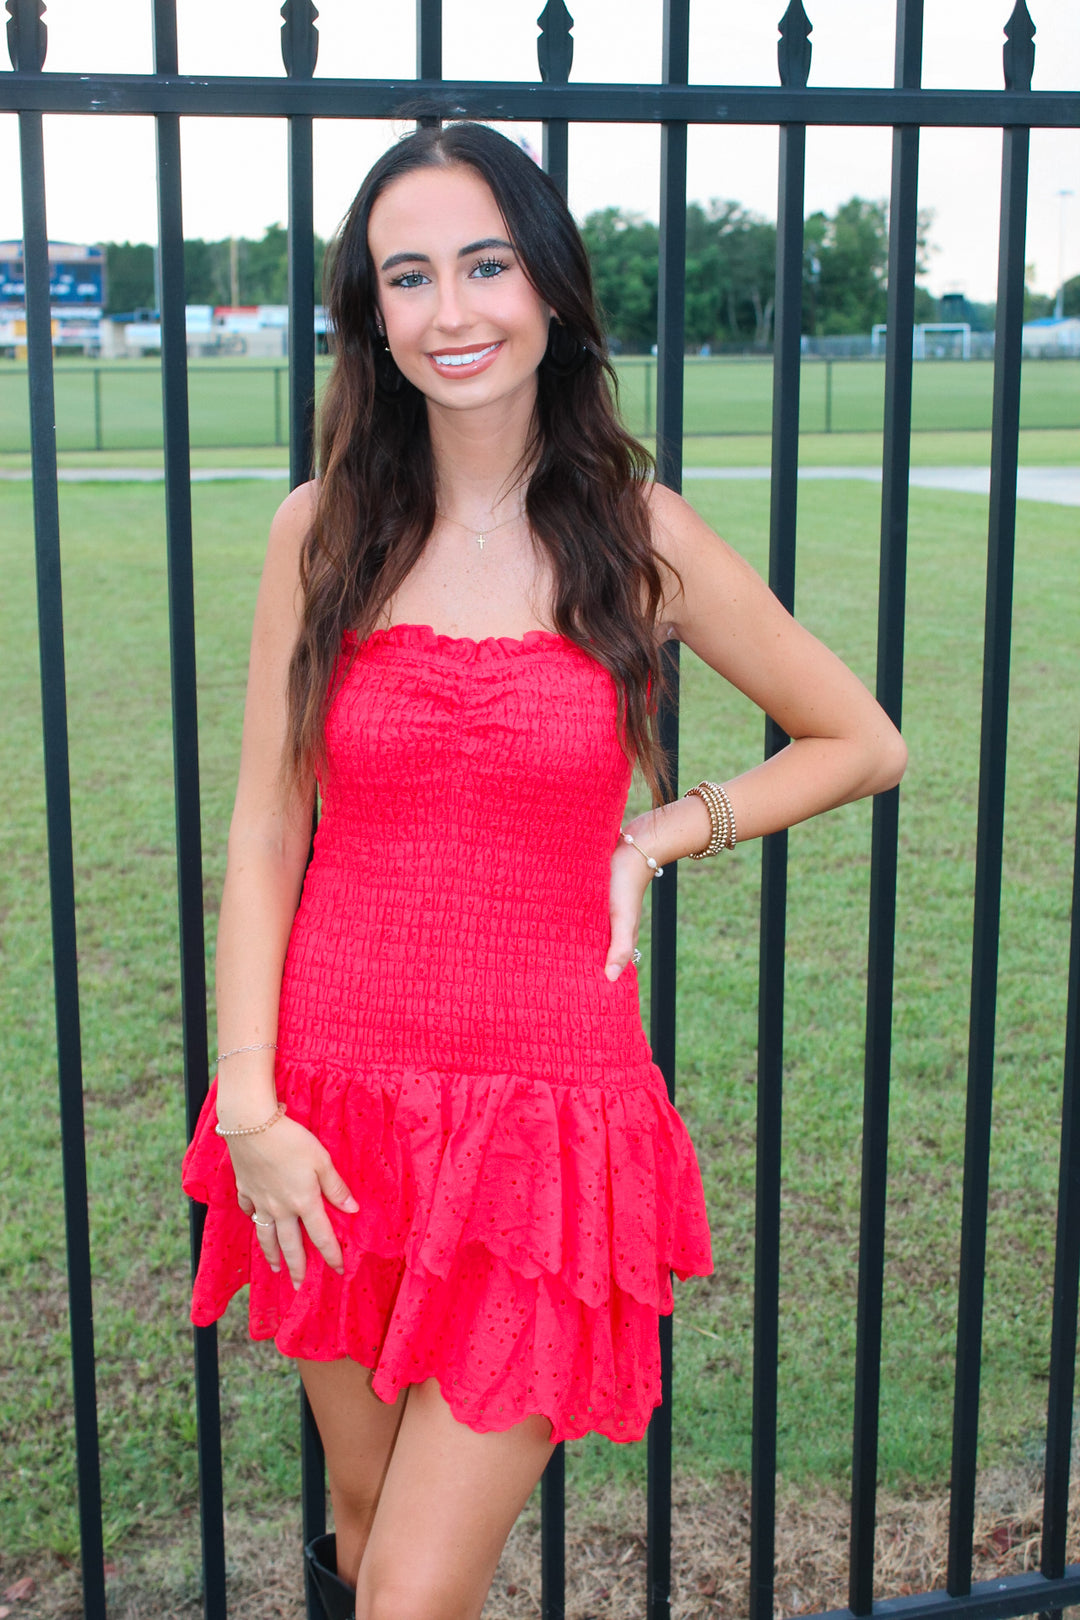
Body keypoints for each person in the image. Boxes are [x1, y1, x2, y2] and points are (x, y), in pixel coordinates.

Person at [181, 121, 906, 1620]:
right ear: (370, 318)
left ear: (552, 288)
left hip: (544, 1130)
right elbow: (263, 828)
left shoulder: (642, 540)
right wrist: (248, 1105)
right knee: (369, 1522)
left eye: (486, 264)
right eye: (408, 277)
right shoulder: (319, 537)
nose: (452, 311)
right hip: (328, 1117)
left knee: (410, 1594)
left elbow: (858, 738)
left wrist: (659, 830)